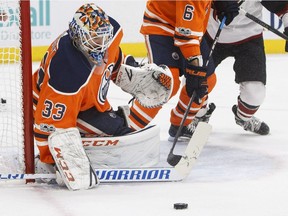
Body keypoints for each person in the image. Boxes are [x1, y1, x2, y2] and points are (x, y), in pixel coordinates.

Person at [32, 3, 172, 190]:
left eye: (104, 38)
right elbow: (47, 123)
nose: (103, 44)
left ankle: (88, 138)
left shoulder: (106, 36)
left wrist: (132, 70)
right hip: (52, 105)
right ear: (78, 36)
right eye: (96, 39)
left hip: (84, 101)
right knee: (119, 131)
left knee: (120, 126)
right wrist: (49, 161)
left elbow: (113, 58)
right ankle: (79, 143)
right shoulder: (67, 70)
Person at [126, 0, 239, 142]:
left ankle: (180, 124)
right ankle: (127, 128)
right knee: (166, 83)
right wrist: (195, 70)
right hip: (162, 25)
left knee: (207, 80)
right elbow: (186, 37)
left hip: (190, 29)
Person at [191, 0, 288, 135]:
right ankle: (200, 114)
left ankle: (243, 118)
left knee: (255, 94)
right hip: (211, 34)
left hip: (249, 37)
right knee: (193, 83)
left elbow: (282, 6)